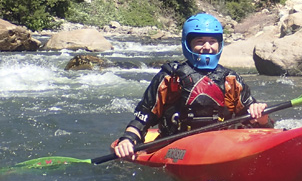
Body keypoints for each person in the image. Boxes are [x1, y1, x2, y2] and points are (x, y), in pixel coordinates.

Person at [113, 13, 270, 159]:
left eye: (212, 41)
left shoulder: (231, 79)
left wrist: (261, 116)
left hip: (222, 145)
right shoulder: (170, 77)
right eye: (200, 42)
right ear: (188, 44)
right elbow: (142, 119)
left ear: (219, 44)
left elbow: (257, 124)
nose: (207, 47)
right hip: (176, 147)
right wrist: (128, 139)